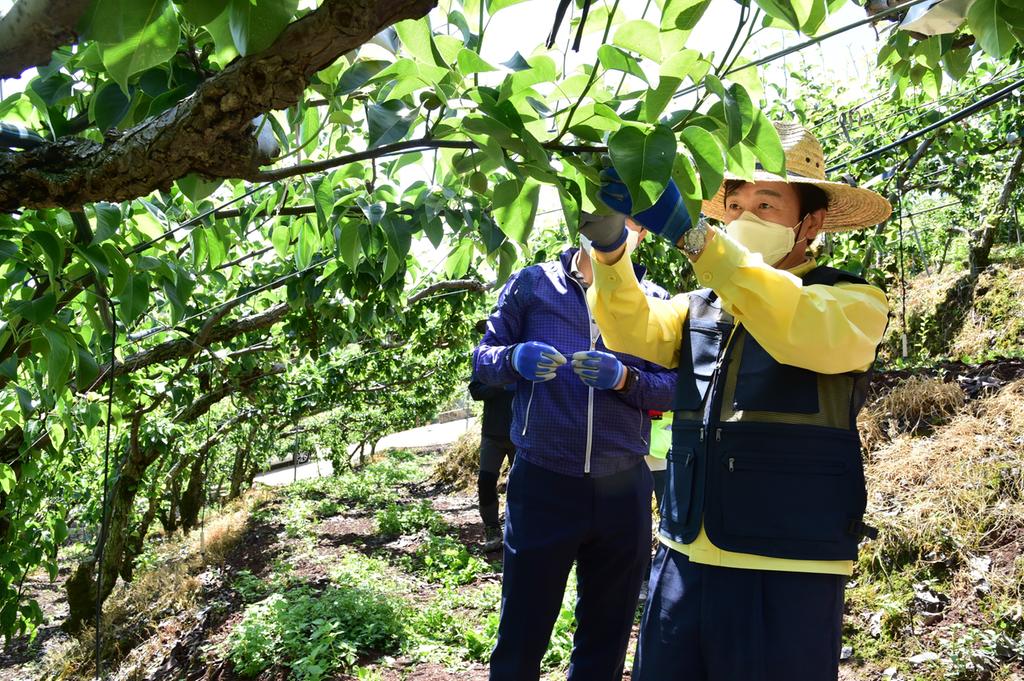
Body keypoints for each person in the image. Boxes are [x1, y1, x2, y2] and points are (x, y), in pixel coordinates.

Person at [580, 120, 892, 681]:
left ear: (812, 222)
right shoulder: (703, 302)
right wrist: (610, 255)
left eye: (767, 205)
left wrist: (700, 242)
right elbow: (633, 331)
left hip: (787, 562)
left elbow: (796, 325)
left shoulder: (853, 300)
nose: (748, 220)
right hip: (685, 549)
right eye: (740, 205)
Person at [472, 224, 676, 681]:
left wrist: (626, 380)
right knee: (523, 626)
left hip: (623, 486)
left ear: (643, 231)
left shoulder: (655, 299)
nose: (616, 230)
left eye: (630, 220)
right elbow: (482, 357)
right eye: (604, 216)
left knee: (608, 631)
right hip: (544, 480)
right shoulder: (533, 284)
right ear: (581, 222)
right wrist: (513, 359)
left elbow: (675, 388)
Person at [468, 319, 516, 552]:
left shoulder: (520, 354)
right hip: (493, 434)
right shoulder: (484, 360)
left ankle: (516, 528)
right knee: (486, 481)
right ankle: (492, 529)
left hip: (521, 433)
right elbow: (475, 391)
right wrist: (499, 386)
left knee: (520, 484)